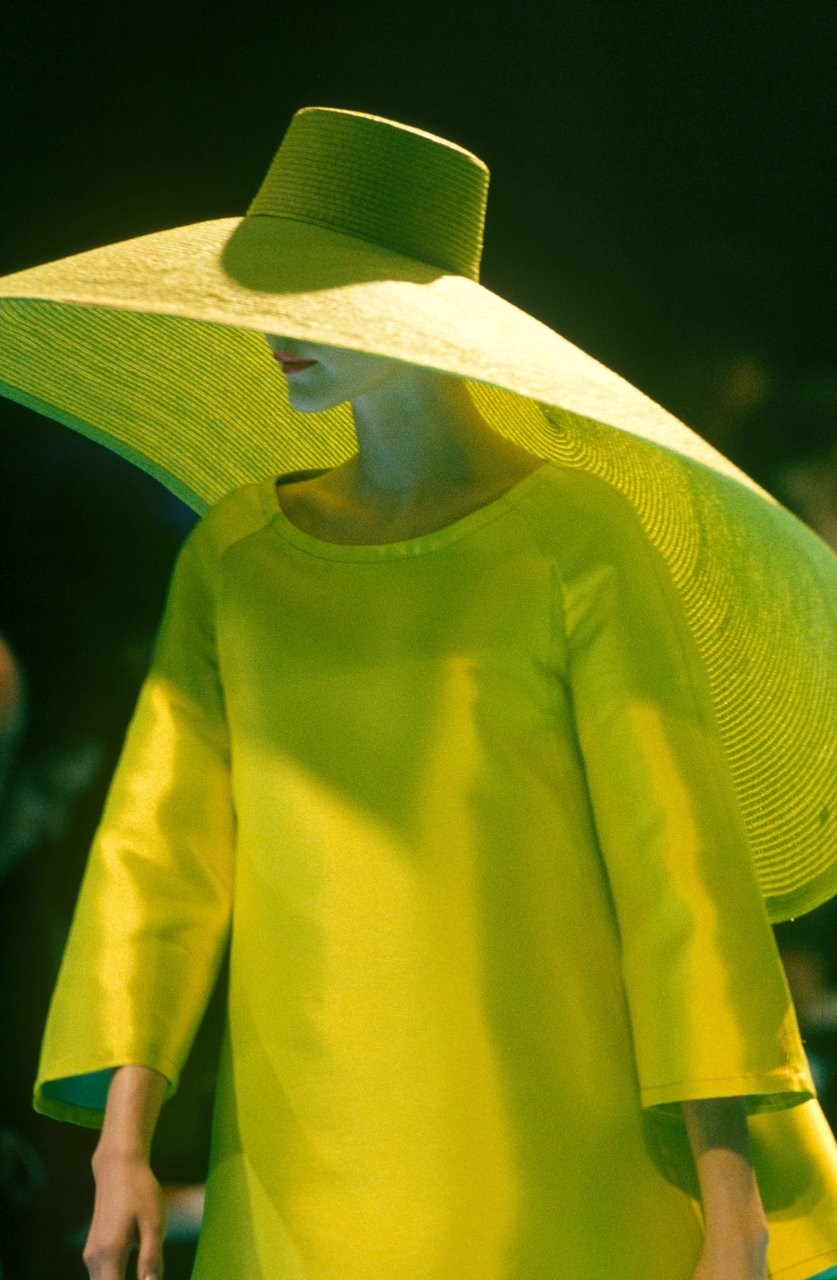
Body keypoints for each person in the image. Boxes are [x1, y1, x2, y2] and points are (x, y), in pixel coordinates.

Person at [0, 107, 836, 1280]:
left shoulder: (576, 540)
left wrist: (731, 1195)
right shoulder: (237, 557)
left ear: (414, 315)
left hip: (557, 1153)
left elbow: (676, 874)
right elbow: (158, 859)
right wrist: (119, 1145)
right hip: (297, 1156)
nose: (275, 329)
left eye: (312, 294)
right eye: (265, 292)